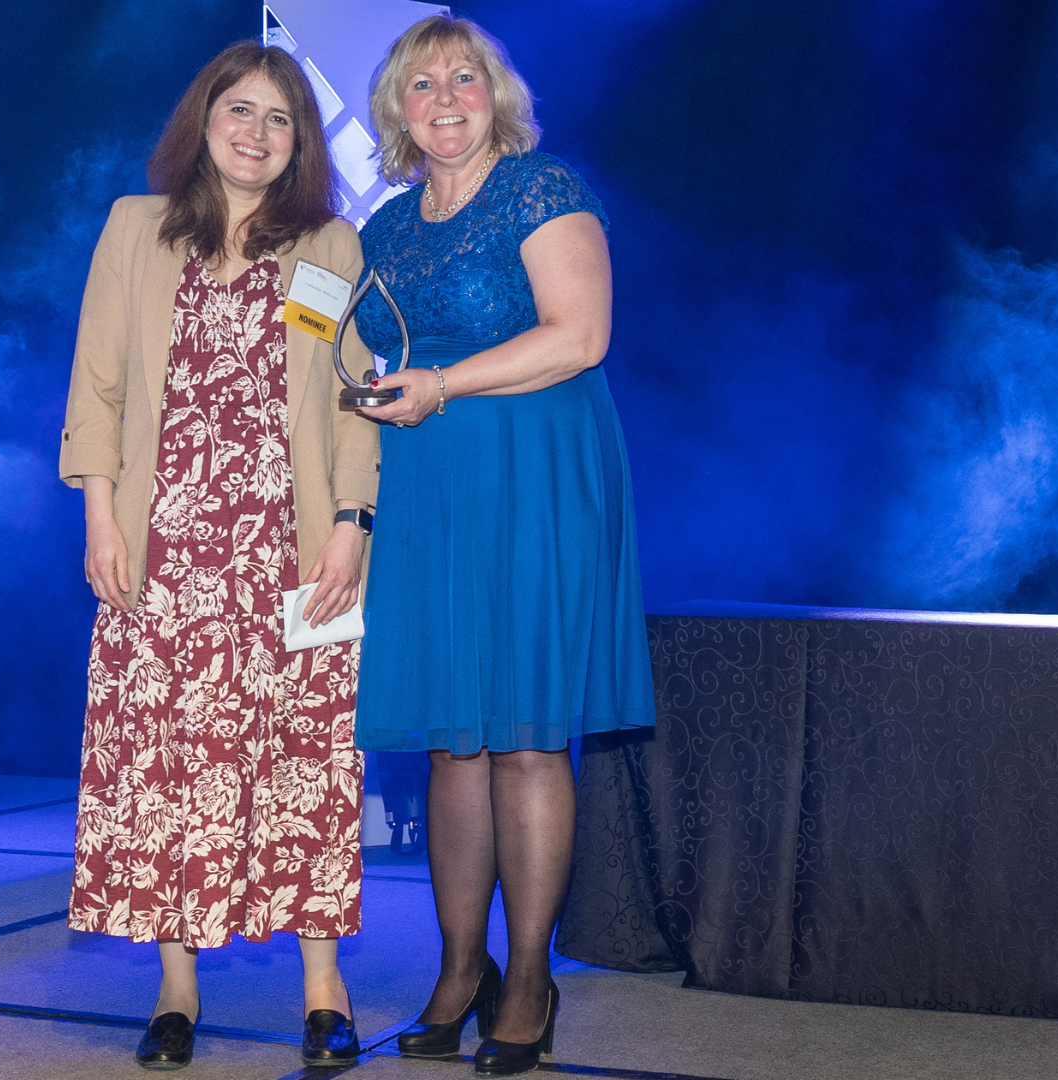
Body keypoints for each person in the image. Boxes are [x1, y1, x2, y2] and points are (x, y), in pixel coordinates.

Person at [60, 42, 381, 1071]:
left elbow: (351, 400)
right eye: (239, 110)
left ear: (299, 144)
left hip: (298, 552)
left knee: (309, 764)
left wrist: (350, 523)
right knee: (163, 767)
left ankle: (324, 991)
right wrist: (101, 518)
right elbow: (99, 386)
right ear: (203, 121)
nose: (256, 132)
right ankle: (175, 989)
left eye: (279, 119)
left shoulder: (329, 245)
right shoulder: (135, 231)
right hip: (164, 549)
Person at [350, 15, 658, 1077]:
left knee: (525, 734)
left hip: (535, 475)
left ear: (497, 96)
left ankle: (528, 978)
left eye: (464, 79)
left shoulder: (544, 190)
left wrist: (439, 382)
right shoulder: (384, 228)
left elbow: (581, 336)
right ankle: (457, 968)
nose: (444, 98)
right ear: (396, 110)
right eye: (421, 84)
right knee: (450, 739)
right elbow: (346, 349)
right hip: (430, 490)